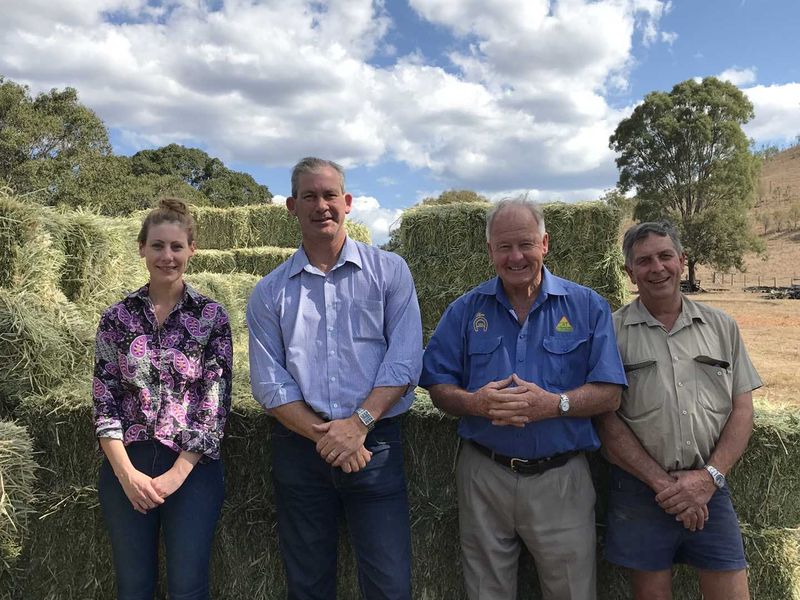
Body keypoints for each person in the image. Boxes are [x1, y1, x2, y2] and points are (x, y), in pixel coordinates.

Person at [420, 197, 626, 600]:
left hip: (561, 479)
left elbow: (610, 393)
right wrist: (474, 403)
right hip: (484, 475)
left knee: (571, 591)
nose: (516, 257)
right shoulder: (465, 310)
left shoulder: (586, 307)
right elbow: (437, 384)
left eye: (525, 244)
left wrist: (554, 405)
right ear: (490, 251)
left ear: (545, 244)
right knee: (485, 591)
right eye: (504, 247)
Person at [246, 157, 422, 600]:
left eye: (329, 195)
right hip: (301, 449)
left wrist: (358, 424)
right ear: (291, 206)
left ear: (347, 202)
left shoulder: (390, 271)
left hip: (375, 444)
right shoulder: (269, 292)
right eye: (309, 196)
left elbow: (403, 362)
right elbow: (270, 383)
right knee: (307, 585)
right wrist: (330, 436)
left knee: (389, 585)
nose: (320, 205)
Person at [596, 222, 762, 600]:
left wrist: (708, 479)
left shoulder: (722, 327)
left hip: (711, 489)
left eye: (665, 256)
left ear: (682, 261)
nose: (657, 268)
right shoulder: (610, 333)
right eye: (644, 261)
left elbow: (742, 410)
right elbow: (605, 420)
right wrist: (663, 484)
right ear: (629, 273)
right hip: (641, 490)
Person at [93, 198, 232, 600]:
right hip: (127, 465)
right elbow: (105, 398)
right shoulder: (116, 318)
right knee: (134, 588)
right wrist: (126, 474)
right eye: (157, 246)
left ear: (191, 250)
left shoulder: (212, 317)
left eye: (176, 246)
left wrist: (177, 474)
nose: (167, 256)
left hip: (191, 468)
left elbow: (215, 402)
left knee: (188, 588)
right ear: (141, 248)